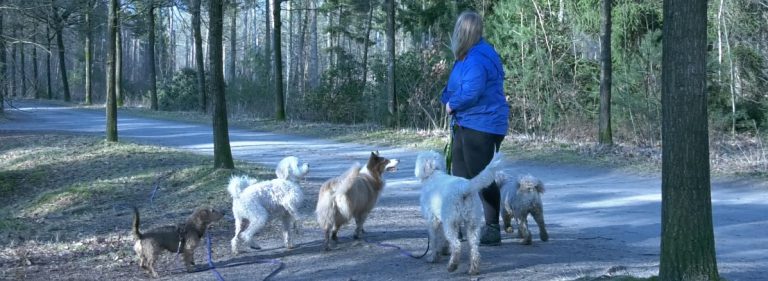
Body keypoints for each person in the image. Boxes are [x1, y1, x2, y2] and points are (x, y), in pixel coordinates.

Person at [441, 10, 509, 246]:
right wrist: (447, 97)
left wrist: (452, 103)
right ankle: (458, 226)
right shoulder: (468, 55)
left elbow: (472, 91)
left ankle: (492, 228)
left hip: (481, 124)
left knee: (481, 177)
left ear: (463, 31)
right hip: (467, 122)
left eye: (458, 28)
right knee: (459, 178)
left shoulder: (478, 58)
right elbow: (457, 85)